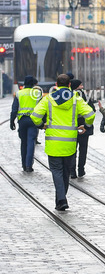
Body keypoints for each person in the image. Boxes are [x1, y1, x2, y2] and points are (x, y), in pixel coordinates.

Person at [29, 74, 94, 211]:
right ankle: (61, 198)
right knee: (65, 172)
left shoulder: (48, 99)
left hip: (53, 143)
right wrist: (87, 126)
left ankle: (61, 199)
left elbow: (34, 116)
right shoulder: (76, 99)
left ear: (56, 85)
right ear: (69, 85)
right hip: (70, 143)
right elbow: (90, 114)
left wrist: (41, 125)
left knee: (57, 171)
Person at [10, 75, 42, 172]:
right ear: (33, 84)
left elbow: (14, 109)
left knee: (23, 143)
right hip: (33, 120)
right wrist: (43, 122)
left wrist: (12, 121)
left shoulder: (19, 93)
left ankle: (23, 164)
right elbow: (42, 108)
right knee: (31, 142)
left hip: (22, 121)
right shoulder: (37, 93)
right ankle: (29, 165)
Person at [68, 79, 95, 179]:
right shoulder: (84, 97)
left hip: (73, 127)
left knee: (72, 150)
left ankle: (72, 171)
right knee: (83, 150)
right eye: (80, 85)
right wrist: (87, 125)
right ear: (76, 86)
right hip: (83, 127)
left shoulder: (69, 96)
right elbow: (92, 110)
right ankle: (81, 170)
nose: (82, 87)